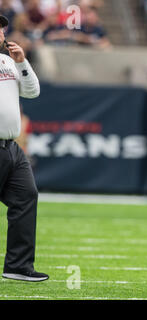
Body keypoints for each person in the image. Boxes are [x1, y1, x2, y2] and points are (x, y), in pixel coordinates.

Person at [0, 15, 48, 282]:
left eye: (1, 27)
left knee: (26, 196)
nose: (0, 31)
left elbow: (32, 92)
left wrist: (22, 62)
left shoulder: (8, 60)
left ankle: (17, 266)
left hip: (12, 146)